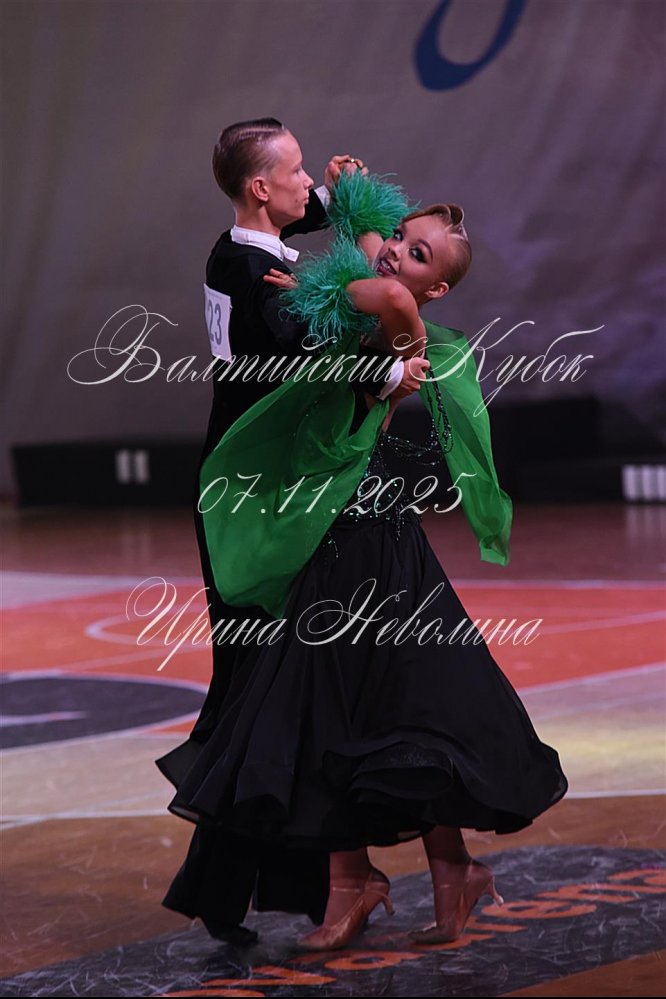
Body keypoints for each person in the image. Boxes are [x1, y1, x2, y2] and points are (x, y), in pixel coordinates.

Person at [159, 178, 569, 951]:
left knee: (401, 707)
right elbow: (362, 270)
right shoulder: (368, 296)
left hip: (367, 535)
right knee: (338, 711)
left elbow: (384, 297)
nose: (397, 252)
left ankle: (433, 872)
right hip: (327, 531)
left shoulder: (397, 313)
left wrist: (326, 282)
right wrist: (345, 208)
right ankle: (390, 876)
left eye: (419, 253)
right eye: (401, 237)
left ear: (435, 287)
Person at [155, 120, 425, 946]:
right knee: (255, 688)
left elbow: (311, 224)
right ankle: (251, 886)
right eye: (297, 170)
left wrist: (345, 190)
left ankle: (288, 885)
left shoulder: (245, 247)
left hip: (269, 487)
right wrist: (389, 370)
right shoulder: (249, 271)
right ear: (258, 188)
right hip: (251, 497)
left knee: (273, 687)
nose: (308, 183)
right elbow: (303, 346)